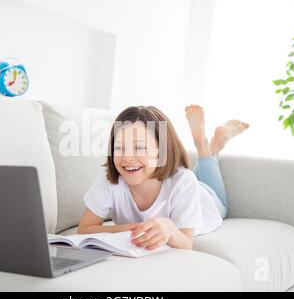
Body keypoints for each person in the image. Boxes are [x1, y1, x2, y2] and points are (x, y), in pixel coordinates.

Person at [77, 105, 249, 250]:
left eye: (140, 148)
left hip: (204, 197)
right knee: (185, 176)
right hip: (178, 182)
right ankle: (212, 146)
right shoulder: (110, 178)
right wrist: (129, 228)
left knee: (221, 203)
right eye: (119, 148)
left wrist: (170, 229)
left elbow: (186, 243)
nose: (127, 157)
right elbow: (84, 229)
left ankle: (207, 145)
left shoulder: (184, 182)